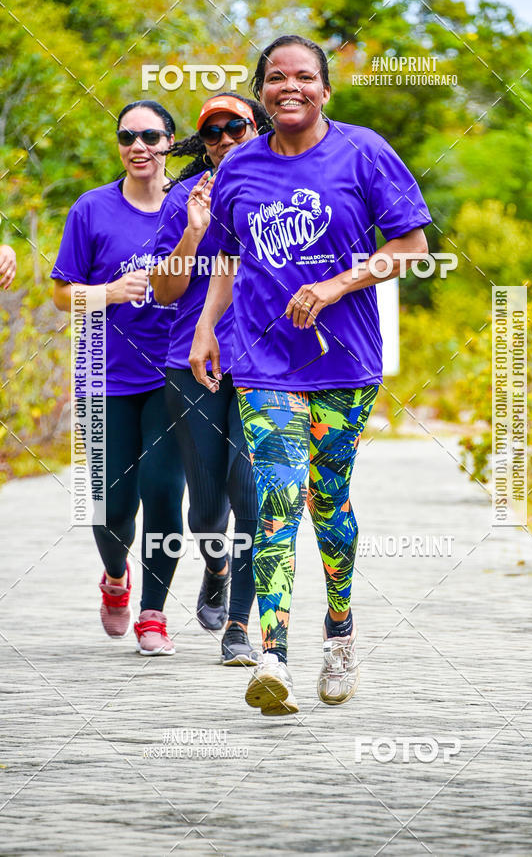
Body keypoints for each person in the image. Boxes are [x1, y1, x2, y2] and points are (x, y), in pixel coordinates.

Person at [189, 35, 431, 715]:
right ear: (262, 91)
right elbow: (228, 261)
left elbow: (410, 245)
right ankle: (273, 657)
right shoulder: (239, 168)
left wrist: (335, 284)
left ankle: (342, 631)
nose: (288, 87)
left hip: (344, 361)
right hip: (261, 360)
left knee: (328, 502)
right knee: (277, 496)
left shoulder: (363, 151)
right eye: (274, 78)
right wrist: (208, 327)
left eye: (303, 77)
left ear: (325, 89)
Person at [51, 100, 186, 656]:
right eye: (127, 136)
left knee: (162, 493)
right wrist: (105, 294)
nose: (138, 146)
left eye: (150, 136)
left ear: (170, 142)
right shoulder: (92, 209)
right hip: (101, 371)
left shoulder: (189, 205)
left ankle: (153, 613)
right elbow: (62, 294)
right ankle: (114, 578)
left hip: (171, 370)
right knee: (108, 505)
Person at [150, 93, 270, 666]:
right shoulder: (183, 197)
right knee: (205, 510)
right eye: (213, 132)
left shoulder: (283, 190)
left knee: (251, 493)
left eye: (235, 127)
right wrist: (195, 230)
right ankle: (216, 566)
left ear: (256, 127)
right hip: (190, 362)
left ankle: (240, 629)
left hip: (265, 362)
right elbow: (166, 290)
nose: (224, 139)